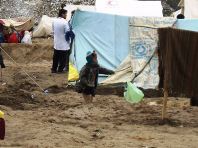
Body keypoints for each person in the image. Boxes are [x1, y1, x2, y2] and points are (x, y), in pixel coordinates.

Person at [51, 6, 70, 73]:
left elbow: (53, 32)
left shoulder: (54, 21)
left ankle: (53, 69)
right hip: (64, 44)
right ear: (62, 14)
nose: (66, 16)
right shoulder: (65, 22)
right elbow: (67, 32)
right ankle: (60, 70)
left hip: (56, 43)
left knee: (55, 57)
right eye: (65, 14)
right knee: (63, 58)